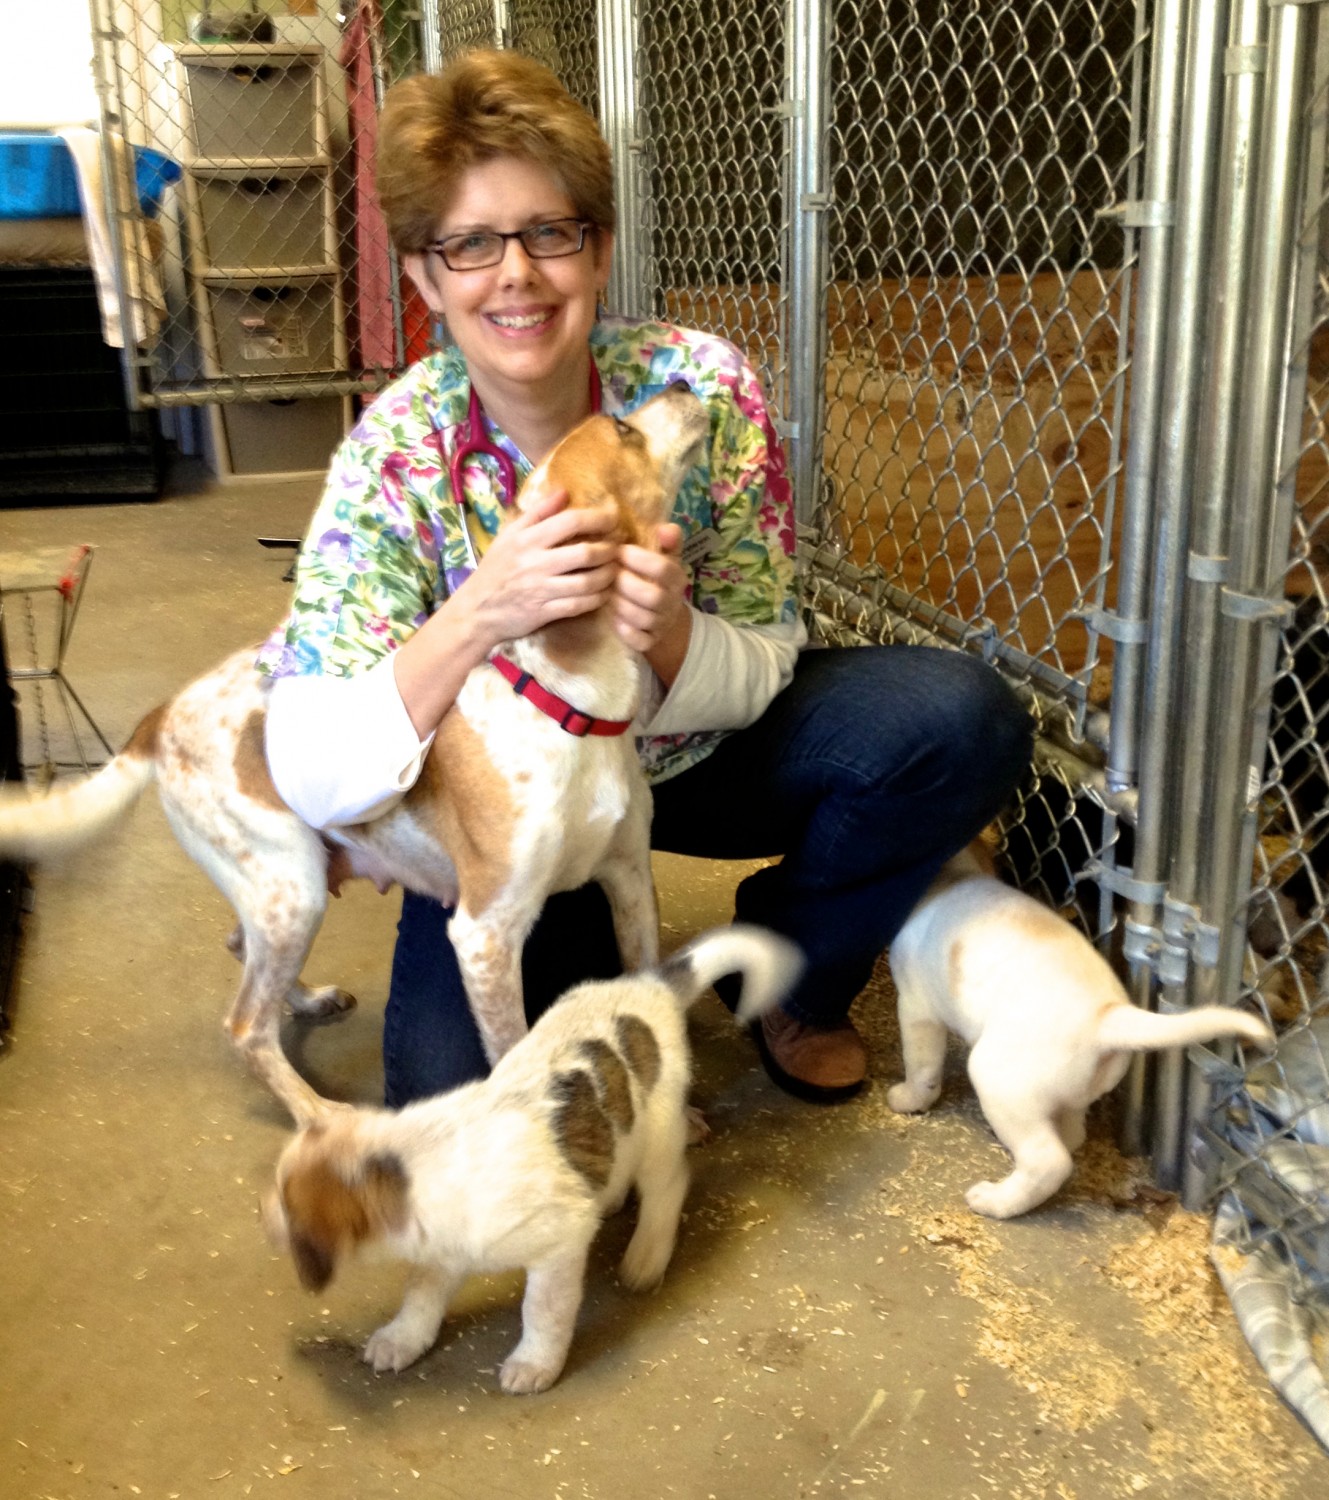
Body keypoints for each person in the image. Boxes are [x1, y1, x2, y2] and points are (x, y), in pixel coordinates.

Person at [259, 49, 1033, 1108]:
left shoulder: (699, 388)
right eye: (471, 243)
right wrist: (482, 609)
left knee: (959, 718)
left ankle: (788, 978)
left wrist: (667, 632)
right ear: (427, 279)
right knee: (474, 1102)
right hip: (522, 804)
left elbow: (768, 644)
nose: (517, 274)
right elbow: (309, 764)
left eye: (550, 232)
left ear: (600, 249)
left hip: (690, 758)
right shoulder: (393, 456)